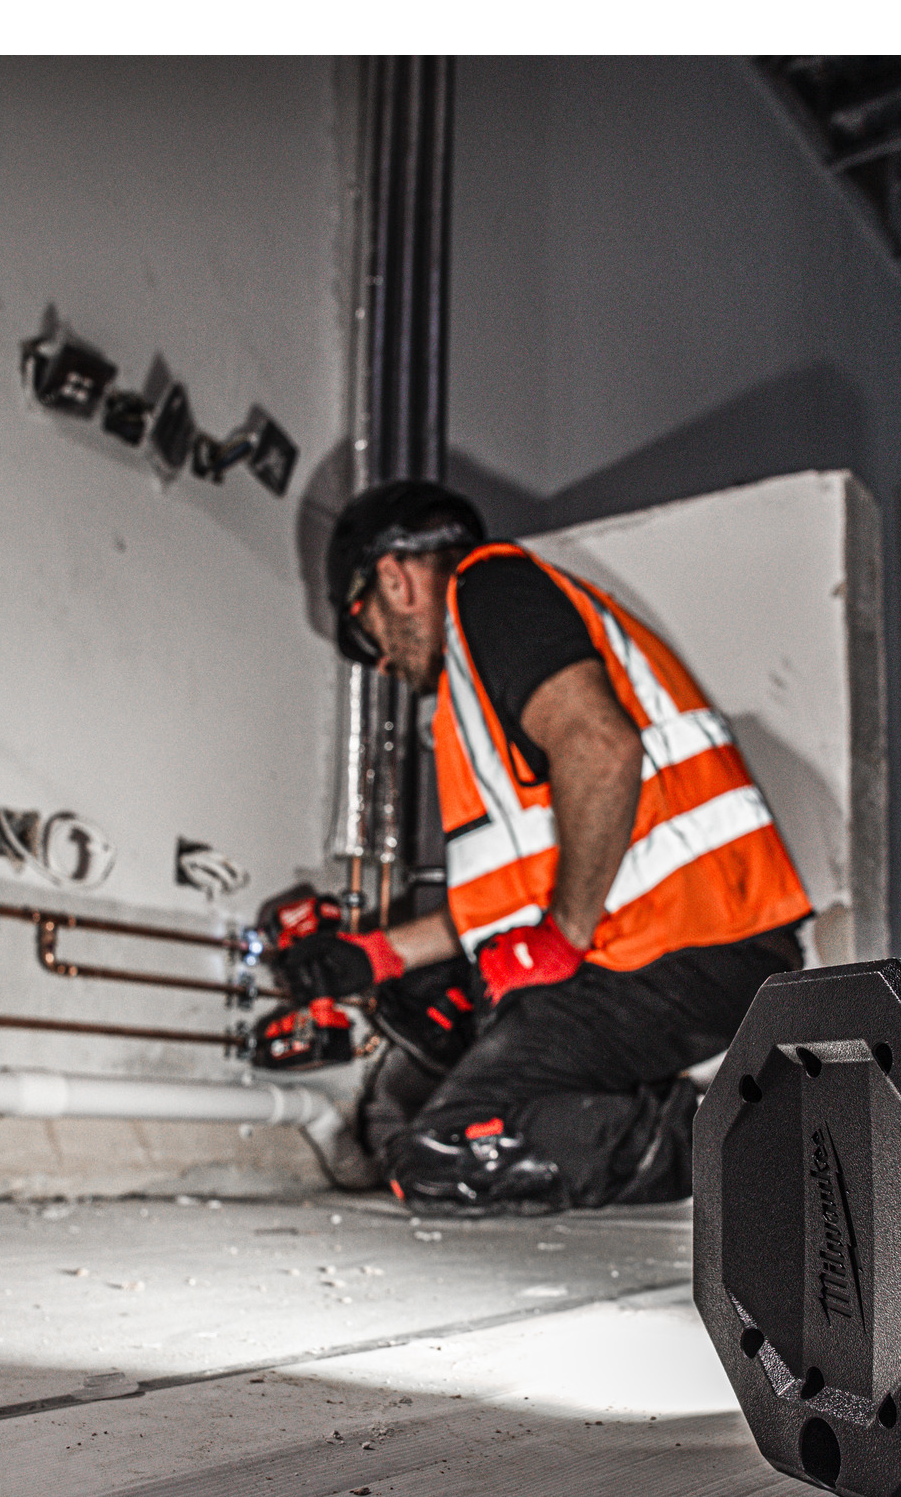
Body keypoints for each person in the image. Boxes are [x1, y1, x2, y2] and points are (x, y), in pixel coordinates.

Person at [271, 481, 811, 1216]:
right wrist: (376, 957)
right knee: (459, 1053)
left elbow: (601, 751)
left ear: (394, 581)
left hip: (685, 953)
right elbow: (514, 897)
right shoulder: (481, 662)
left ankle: (770, 1140)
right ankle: (706, 1120)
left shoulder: (489, 590)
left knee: (445, 1152)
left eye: (367, 634)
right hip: (670, 953)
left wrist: (564, 935)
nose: (384, 664)